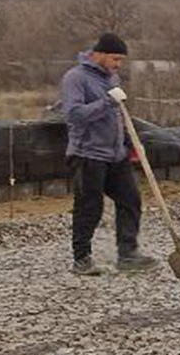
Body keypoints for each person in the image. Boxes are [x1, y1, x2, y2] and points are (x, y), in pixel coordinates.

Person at [60, 33, 156, 275]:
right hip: (87, 154)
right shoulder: (76, 78)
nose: (118, 65)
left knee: (130, 200)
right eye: (115, 59)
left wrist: (128, 143)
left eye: (120, 60)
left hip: (116, 154)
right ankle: (81, 259)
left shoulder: (111, 77)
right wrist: (107, 101)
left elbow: (118, 116)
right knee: (89, 207)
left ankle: (128, 254)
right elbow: (74, 115)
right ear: (99, 54)